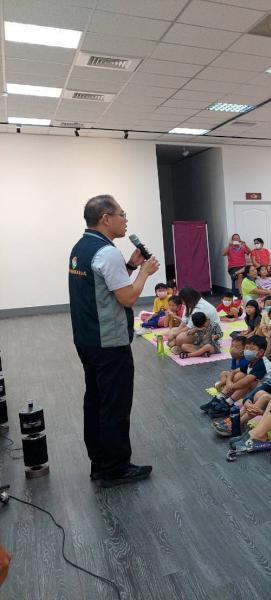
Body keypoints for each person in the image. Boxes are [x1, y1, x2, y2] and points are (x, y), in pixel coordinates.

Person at [68, 194, 159, 487]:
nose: (126, 219)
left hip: (87, 339)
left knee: (95, 401)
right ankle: (116, 469)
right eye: (122, 214)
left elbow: (103, 287)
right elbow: (127, 297)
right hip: (109, 341)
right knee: (115, 405)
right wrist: (144, 273)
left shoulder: (81, 247)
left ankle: (99, 463)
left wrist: (129, 266)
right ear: (106, 218)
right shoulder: (107, 252)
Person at [203, 336, 268, 417]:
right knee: (240, 375)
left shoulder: (262, 364)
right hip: (253, 391)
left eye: (252, 349)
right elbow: (233, 371)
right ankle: (220, 398)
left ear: (261, 352)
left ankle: (227, 403)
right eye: (246, 348)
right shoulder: (251, 361)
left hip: (264, 394)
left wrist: (231, 386)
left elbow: (246, 381)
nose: (247, 351)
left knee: (247, 381)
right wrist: (229, 383)